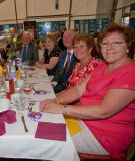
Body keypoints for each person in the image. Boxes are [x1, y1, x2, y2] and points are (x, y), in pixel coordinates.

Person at [39, 24, 135, 160]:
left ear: (128, 46)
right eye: (105, 43)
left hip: (105, 135)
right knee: (43, 124)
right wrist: (56, 100)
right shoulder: (102, 66)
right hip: (84, 120)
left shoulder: (130, 72)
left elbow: (104, 111)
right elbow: (78, 90)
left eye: (116, 43)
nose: (109, 47)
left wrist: (62, 108)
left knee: (45, 138)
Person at [51, 29, 77, 93]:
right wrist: (53, 82)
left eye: (69, 36)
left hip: (71, 89)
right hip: (60, 86)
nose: (66, 39)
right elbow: (59, 70)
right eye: (64, 37)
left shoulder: (79, 54)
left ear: (76, 38)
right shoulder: (63, 53)